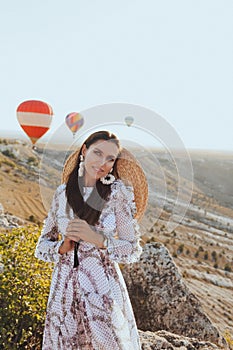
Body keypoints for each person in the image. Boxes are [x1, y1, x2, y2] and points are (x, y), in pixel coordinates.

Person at [35, 130, 148, 350]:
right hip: (63, 289)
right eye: (97, 153)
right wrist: (62, 246)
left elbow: (132, 249)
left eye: (110, 159)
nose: (102, 163)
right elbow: (41, 247)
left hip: (102, 288)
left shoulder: (116, 195)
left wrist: (99, 239)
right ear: (84, 151)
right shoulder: (62, 194)